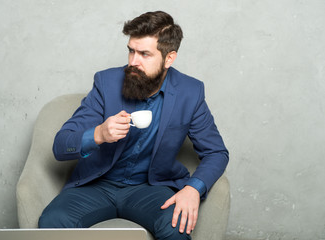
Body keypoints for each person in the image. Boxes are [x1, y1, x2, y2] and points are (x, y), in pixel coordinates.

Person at [39, 11, 229, 240]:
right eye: (131, 51)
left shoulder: (190, 92)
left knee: (176, 226)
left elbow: (216, 152)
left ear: (169, 58)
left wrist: (193, 189)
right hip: (98, 185)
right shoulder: (106, 83)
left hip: (151, 189)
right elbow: (61, 146)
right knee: (52, 221)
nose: (133, 62)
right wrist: (98, 134)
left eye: (144, 54)